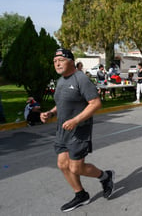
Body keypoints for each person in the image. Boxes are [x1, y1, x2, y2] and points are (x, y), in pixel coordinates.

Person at [40, 48, 114, 212]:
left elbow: (95, 103)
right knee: (62, 164)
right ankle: (81, 195)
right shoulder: (61, 81)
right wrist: (51, 113)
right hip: (62, 130)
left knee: (76, 167)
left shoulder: (81, 78)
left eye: (60, 60)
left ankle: (105, 176)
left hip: (79, 130)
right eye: (54, 61)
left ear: (71, 61)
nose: (57, 64)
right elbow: (61, 104)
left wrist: (75, 120)